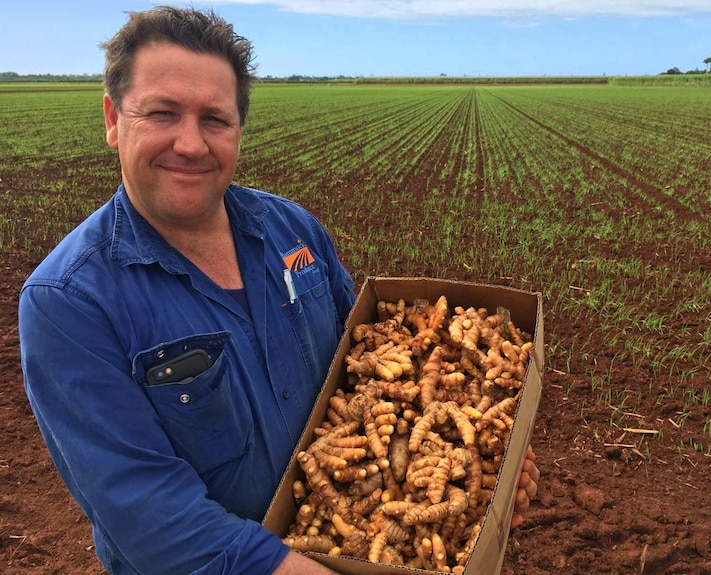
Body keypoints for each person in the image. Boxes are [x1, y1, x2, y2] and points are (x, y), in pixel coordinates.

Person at [18, 6, 538, 575]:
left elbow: (369, 359)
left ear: (239, 129)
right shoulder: (68, 300)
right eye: (163, 113)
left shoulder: (292, 232)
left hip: (348, 542)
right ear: (114, 119)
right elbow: (148, 516)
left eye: (214, 119)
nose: (190, 144)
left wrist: (491, 470)